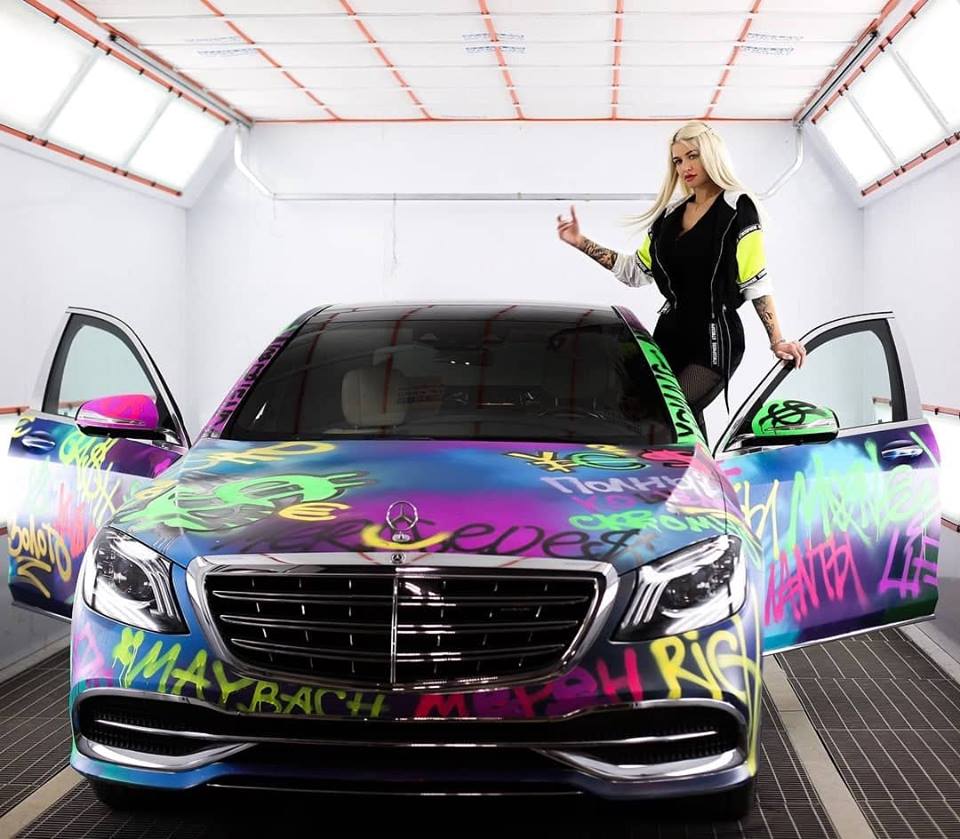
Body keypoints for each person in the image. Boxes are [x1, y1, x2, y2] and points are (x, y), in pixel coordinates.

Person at [556, 120, 806, 440]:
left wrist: (777, 340)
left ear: (712, 155)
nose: (685, 167)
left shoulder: (737, 207)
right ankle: (701, 470)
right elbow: (635, 271)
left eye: (693, 156)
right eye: (677, 160)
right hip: (669, 337)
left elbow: (756, 281)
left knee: (667, 417)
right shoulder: (669, 216)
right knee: (665, 420)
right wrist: (580, 242)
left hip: (714, 340)